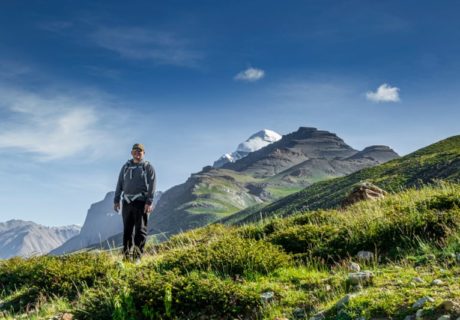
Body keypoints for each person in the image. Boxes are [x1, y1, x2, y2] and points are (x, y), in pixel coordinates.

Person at [114, 143, 156, 262]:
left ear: (143, 153)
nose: (137, 153)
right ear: (131, 153)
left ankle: (137, 257)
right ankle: (126, 257)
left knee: (140, 231)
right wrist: (116, 200)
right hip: (127, 202)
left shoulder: (148, 167)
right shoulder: (125, 167)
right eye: (135, 151)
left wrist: (149, 201)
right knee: (127, 231)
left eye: (140, 151)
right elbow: (120, 183)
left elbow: (152, 185)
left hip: (141, 202)